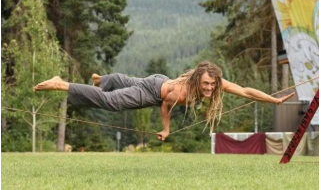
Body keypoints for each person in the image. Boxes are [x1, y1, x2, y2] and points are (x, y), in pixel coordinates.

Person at [33, 61, 295, 141]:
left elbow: (248, 91)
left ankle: (103, 78)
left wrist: (274, 101)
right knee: (110, 102)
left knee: (125, 80)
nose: (209, 88)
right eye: (205, 84)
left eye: (212, 84)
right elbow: (165, 105)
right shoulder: (183, 92)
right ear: (196, 81)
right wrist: (167, 129)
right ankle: (62, 83)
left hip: (160, 80)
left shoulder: (217, 83)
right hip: (154, 91)